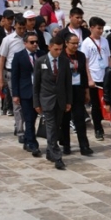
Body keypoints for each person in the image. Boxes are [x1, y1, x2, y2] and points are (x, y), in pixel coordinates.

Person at [33, 35, 72, 170]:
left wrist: (68, 101)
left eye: (60, 49)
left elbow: (68, 83)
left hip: (60, 100)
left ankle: (50, 151)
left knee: (56, 126)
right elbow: (36, 84)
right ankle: (57, 156)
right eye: (56, 49)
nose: (58, 52)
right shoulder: (40, 61)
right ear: (50, 47)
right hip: (46, 100)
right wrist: (36, 103)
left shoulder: (64, 61)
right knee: (50, 126)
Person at [60, 33, 93, 156]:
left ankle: (84, 146)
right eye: (73, 43)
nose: (75, 45)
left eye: (77, 43)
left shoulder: (81, 55)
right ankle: (66, 145)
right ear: (66, 43)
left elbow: (84, 73)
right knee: (65, 120)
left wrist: (87, 91)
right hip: (65, 91)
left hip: (78, 90)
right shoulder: (61, 55)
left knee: (80, 120)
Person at [80, 16, 111, 141]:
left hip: (105, 76)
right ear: (92, 28)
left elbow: (108, 58)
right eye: (98, 28)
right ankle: (98, 128)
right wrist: (89, 79)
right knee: (96, 104)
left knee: (108, 102)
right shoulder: (86, 43)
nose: (100, 31)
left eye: (102, 28)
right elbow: (85, 62)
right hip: (94, 77)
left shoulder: (105, 41)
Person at [12, 32, 42, 156]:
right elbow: (15, 76)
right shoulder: (19, 56)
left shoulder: (41, 54)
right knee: (29, 119)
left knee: (35, 117)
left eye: (36, 42)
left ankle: (28, 141)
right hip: (26, 91)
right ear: (25, 43)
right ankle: (31, 142)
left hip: (39, 92)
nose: (35, 44)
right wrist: (15, 94)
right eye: (32, 42)